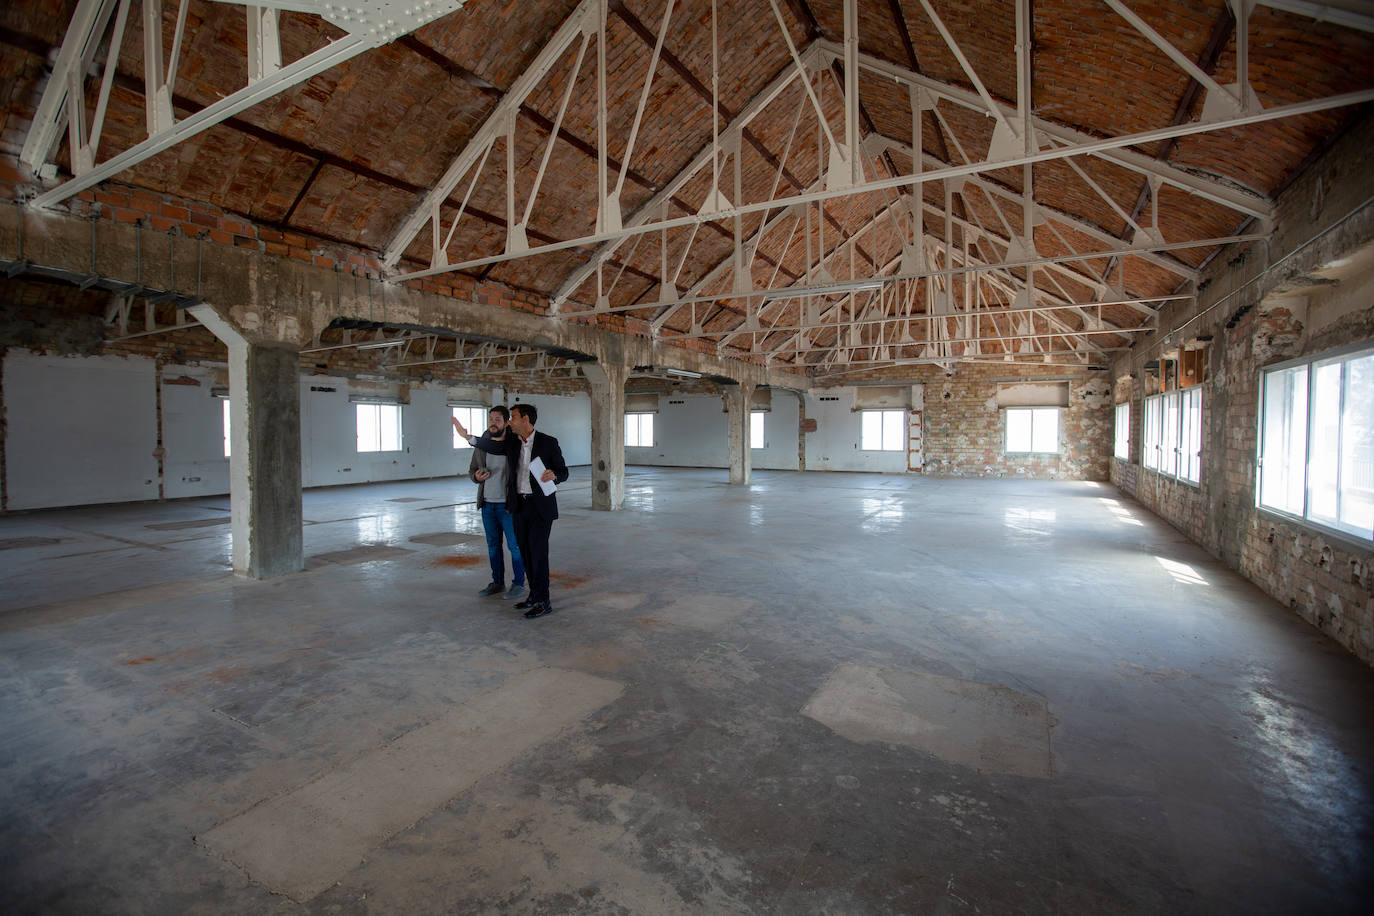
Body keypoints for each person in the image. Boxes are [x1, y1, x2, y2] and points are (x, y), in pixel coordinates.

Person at [452, 403, 569, 619]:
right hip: (519, 505)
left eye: (513, 417)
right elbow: (493, 447)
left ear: (525, 419)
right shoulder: (513, 443)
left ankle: (544, 601)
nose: (509, 422)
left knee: (538, 555)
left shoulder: (548, 442)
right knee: (525, 552)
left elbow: (563, 471)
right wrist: (469, 438)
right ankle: (533, 595)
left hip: (540, 507)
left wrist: (555, 475)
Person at [467, 406, 526, 602]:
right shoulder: (482, 444)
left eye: (498, 419)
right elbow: (472, 470)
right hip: (487, 504)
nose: (493, 423)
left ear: (506, 422)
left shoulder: (513, 443)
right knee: (493, 546)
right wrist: (476, 476)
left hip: (507, 505)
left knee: (515, 546)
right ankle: (497, 582)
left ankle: (519, 583)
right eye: (491, 419)